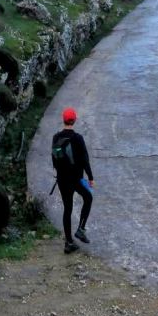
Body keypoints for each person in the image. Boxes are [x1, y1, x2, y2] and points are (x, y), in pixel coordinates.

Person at [52, 106, 94, 254]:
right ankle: (81, 229)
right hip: (76, 179)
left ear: (64, 120)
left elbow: (54, 160)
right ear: (74, 120)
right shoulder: (78, 138)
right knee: (88, 197)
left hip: (62, 180)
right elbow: (84, 159)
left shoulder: (56, 137)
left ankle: (68, 242)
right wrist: (90, 177)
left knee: (67, 209)